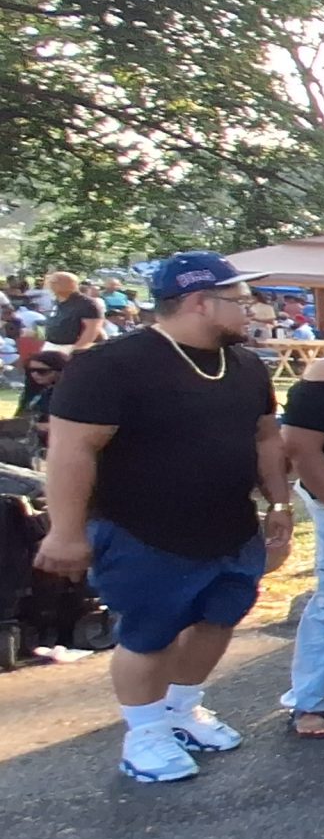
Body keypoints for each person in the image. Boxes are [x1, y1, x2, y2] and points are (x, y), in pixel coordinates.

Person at [36, 252, 292, 782]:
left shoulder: (244, 364)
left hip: (231, 525)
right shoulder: (111, 365)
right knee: (149, 633)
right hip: (143, 530)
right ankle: (144, 735)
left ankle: (181, 710)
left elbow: (266, 436)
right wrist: (65, 532)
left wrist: (280, 503)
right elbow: (71, 451)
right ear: (200, 302)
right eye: (241, 300)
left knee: (220, 618)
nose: (253, 310)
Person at [40, 271, 103, 352]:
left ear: (70, 284)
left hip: (71, 347)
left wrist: (77, 350)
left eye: (54, 282)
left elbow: (92, 331)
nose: (50, 285)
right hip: (51, 345)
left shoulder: (86, 304)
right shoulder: (57, 301)